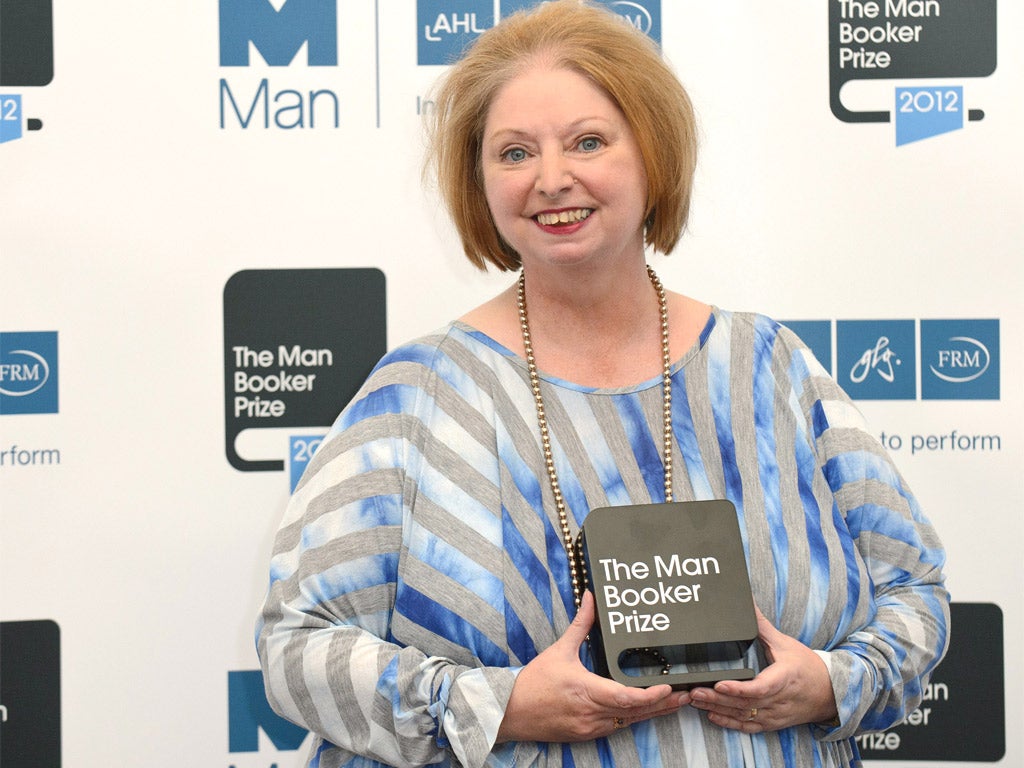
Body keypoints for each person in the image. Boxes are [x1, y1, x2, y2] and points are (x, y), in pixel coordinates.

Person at [256, 2, 950, 766]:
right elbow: (298, 646)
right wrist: (499, 705)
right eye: (514, 154)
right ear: (479, 182)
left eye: (588, 142)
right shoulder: (422, 395)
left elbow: (914, 591)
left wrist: (829, 684)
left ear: (652, 155)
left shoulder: (767, 366)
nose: (553, 180)